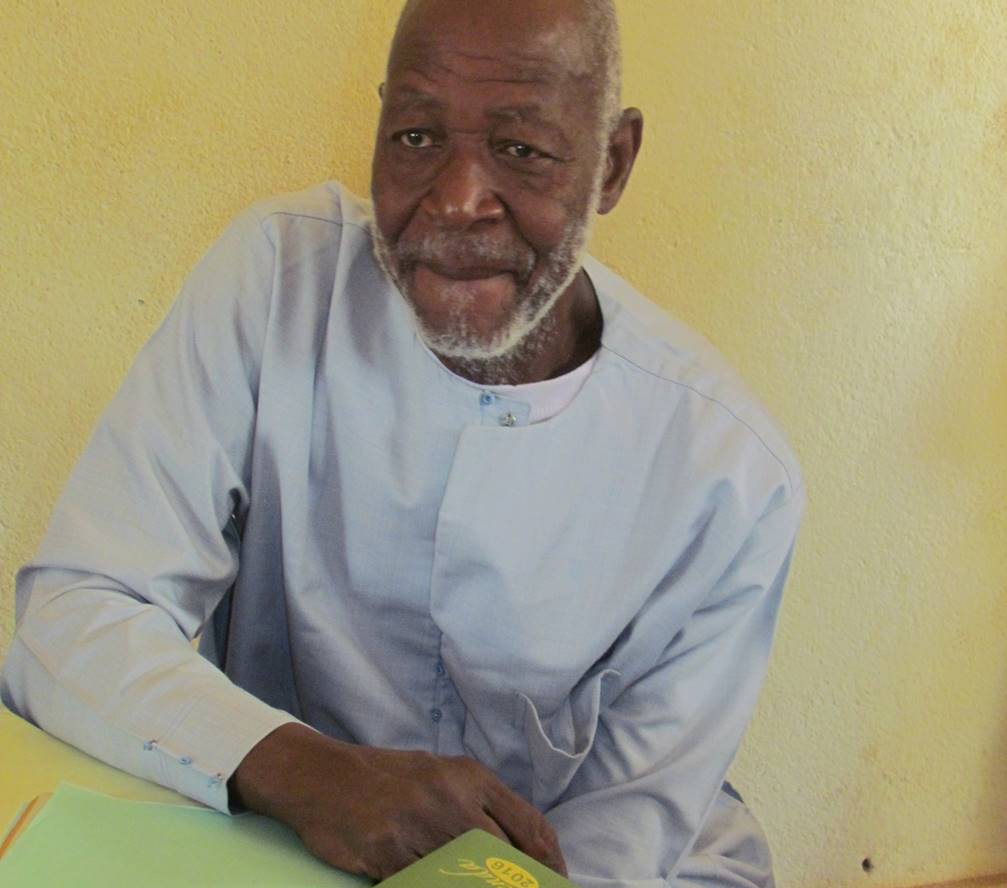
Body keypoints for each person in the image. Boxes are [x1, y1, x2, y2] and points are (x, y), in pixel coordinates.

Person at [1, 1, 803, 886]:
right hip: (285, 837)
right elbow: (77, 613)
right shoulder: (275, 284)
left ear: (611, 164)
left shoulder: (726, 474)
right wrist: (306, 770)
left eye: (521, 149)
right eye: (417, 136)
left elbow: (615, 846)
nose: (456, 199)